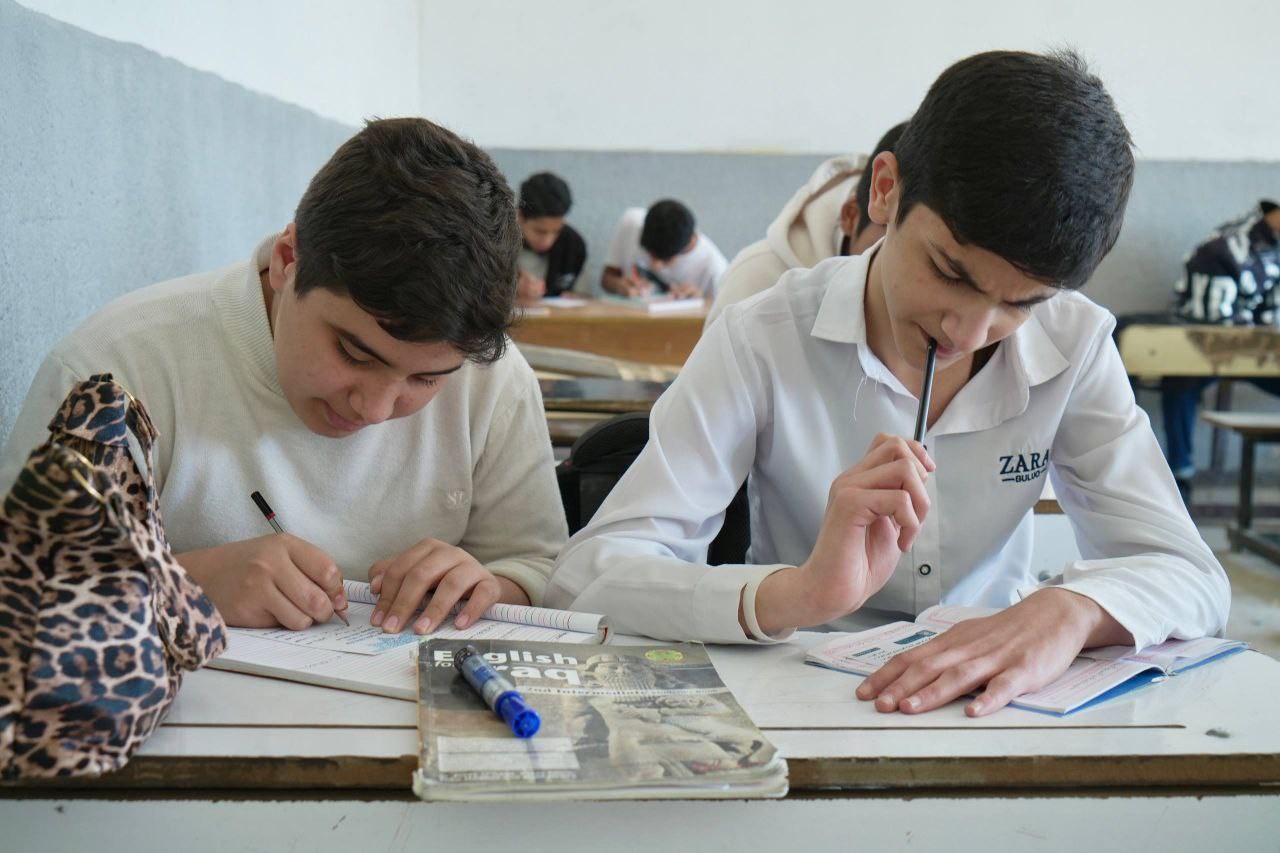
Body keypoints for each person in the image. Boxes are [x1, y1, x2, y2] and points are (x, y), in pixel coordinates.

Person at [549, 50, 1230, 718]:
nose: (967, 331)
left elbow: (1192, 574)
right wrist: (797, 593)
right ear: (885, 189)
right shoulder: (762, 335)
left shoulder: (1074, 342)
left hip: (997, 707)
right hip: (800, 698)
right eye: (951, 272)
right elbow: (591, 574)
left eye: (1021, 303)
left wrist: (1069, 610)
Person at [0, 118, 568, 636]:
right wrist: (183, 583)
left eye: (425, 380)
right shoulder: (117, 368)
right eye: (354, 353)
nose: (374, 410)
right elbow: (18, 588)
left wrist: (489, 586)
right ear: (287, 261)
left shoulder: (491, 376)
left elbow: (539, 565)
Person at [705, 122, 908, 328]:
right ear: (850, 215)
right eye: (891, 240)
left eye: (924, 255)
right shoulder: (758, 280)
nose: (902, 272)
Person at [1162, 200, 1280, 502]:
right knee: (1180, 379)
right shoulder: (1222, 249)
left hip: (1259, 348)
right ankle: (1180, 477)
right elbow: (1209, 325)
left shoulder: (1272, 246)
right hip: (1206, 346)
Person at [601, 200, 727, 299]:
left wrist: (701, 302)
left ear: (687, 246)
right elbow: (607, 278)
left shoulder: (715, 270)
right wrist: (618, 285)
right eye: (650, 253)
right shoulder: (631, 223)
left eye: (665, 260)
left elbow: (720, 319)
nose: (654, 266)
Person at [515, 172, 587, 305]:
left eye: (556, 231)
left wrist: (576, 296)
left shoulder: (572, 244)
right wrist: (507, 288)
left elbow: (582, 295)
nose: (548, 241)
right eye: (540, 232)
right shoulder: (494, 243)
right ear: (519, 216)